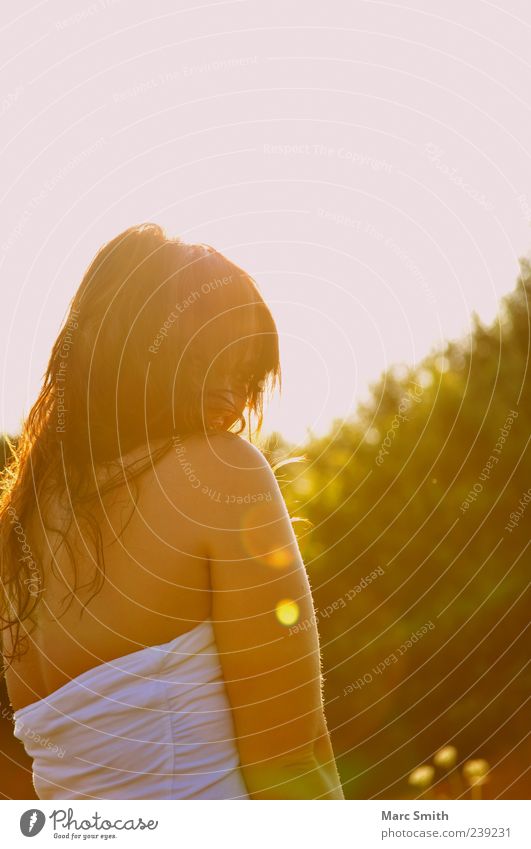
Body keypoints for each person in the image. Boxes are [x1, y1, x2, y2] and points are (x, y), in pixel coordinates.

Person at [0, 223, 344, 800]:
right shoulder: (219, 472)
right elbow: (293, 758)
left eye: (247, 378)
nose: (236, 403)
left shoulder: (20, 530)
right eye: (220, 367)